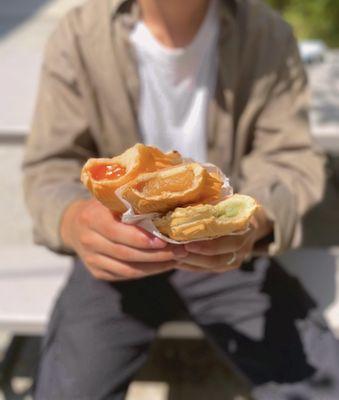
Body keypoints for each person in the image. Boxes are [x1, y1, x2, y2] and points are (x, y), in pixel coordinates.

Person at [23, 0, 339, 399]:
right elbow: (49, 169)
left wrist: (251, 222)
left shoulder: (266, 35)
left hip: (232, 258)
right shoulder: (80, 35)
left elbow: (289, 159)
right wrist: (75, 222)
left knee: (319, 384)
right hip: (116, 258)